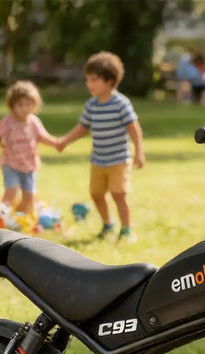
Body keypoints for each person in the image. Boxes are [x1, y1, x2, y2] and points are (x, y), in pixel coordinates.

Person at [57, 52, 145, 242]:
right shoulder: (92, 105)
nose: (89, 84)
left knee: (118, 194)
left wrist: (139, 151)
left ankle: (126, 230)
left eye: (94, 80)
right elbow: (82, 128)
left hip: (119, 160)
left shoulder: (121, 104)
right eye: (88, 79)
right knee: (96, 194)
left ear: (109, 80)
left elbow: (134, 128)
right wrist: (65, 141)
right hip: (98, 160)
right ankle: (107, 225)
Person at [0, 80, 59, 218]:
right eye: (20, 105)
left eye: (28, 104)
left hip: (29, 164)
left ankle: (27, 218)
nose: (25, 108)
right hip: (11, 163)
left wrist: (57, 143)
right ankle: (0, 216)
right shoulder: (7, 121)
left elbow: (43, 137)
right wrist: (2, 145)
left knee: (29, 193)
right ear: (12, 105)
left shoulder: (33, 121)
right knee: (11, 190)